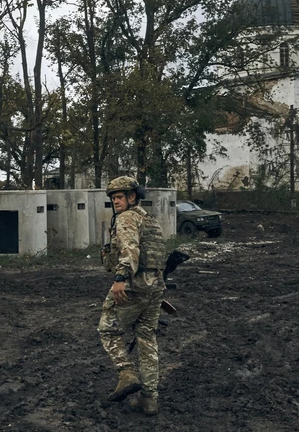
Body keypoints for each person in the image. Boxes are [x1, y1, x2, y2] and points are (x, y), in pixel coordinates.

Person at [98, 175, 167, 416]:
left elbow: (130, 250)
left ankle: (126, 372)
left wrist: (120, 279)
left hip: (133, 284)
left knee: (107, 329)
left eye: (119, 197)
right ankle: (149, 399)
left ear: (132, 196)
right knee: (147, 339)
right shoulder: (149, 220)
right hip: (155, 286)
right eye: (113, 198)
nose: (116, 202)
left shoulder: (127, 218)